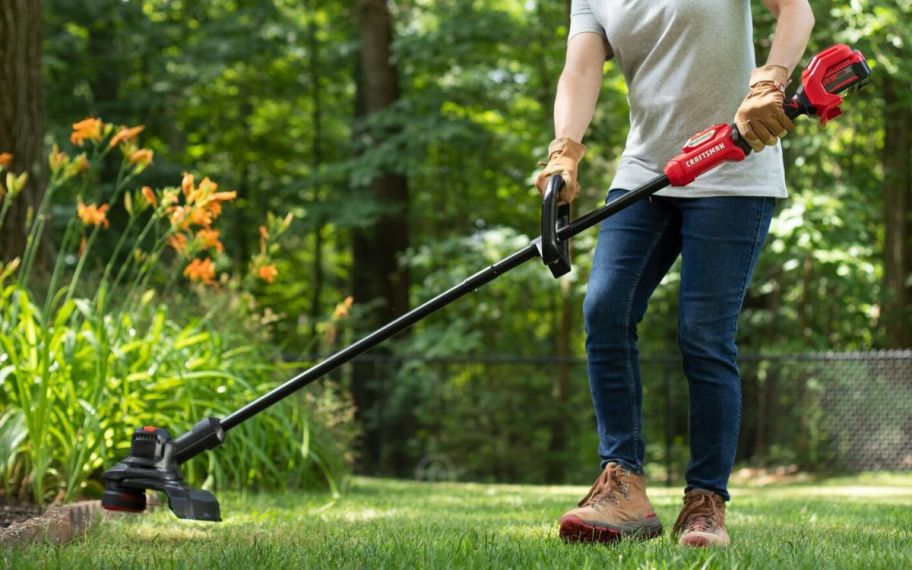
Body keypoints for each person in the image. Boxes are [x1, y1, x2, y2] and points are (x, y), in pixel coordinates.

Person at [535, 0, 814, 548]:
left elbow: (796, 11)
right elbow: (582, 67)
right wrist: (564, 149)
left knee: (704, 334)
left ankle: (705, 503)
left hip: (735, 164)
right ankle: (623, 487)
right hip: (650, 169)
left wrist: (771, 82)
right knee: (605, 308)